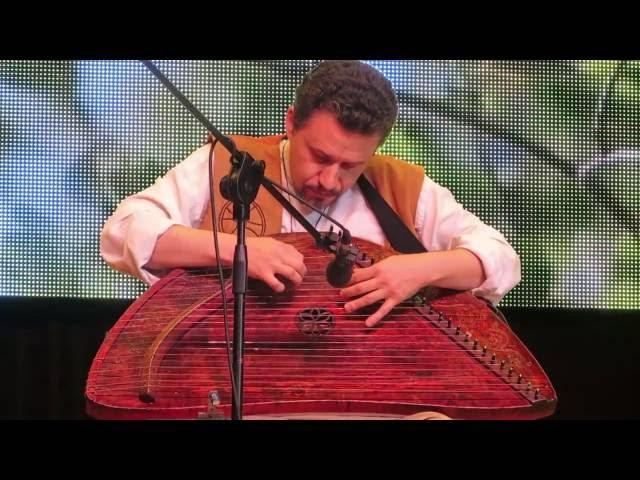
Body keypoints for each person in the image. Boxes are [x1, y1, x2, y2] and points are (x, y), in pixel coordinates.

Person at [100, 60, 521, 327]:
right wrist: (237, 249)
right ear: (291, 123)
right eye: (319, 156)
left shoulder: (400, 186)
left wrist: (418, 271)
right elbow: (123, 233)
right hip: (237, 382)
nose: (331, 179)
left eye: (352, 166)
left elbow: (500, 259)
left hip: (368, 388)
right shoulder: (231, 163)